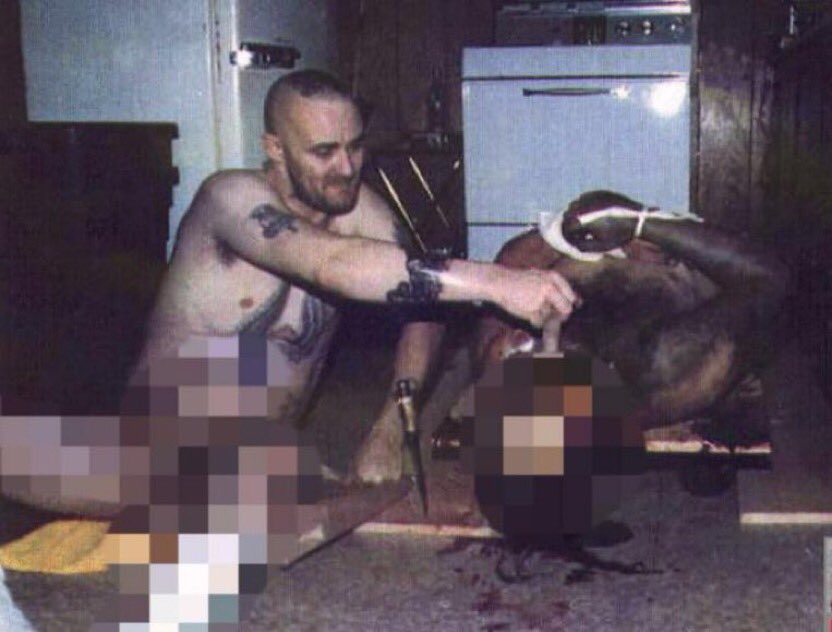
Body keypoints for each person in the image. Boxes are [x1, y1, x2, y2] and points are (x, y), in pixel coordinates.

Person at [0, 69, 577, 628]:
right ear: (274, 148)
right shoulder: (229, 199)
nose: (346, 168)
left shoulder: (360, 209)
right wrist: (497, 282)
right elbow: (334, 264)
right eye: (323, 152)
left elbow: (420, 303)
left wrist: (391, 422)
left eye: (355, 146)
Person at [473, 190, 789, 429]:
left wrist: (563, 237)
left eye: (509, 347)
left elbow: (511, 260)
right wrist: (639, 225)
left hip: (626, 261)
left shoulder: (506, 340)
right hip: (716, 278)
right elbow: (770, 280)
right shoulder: (666, 370)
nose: (515, 340)